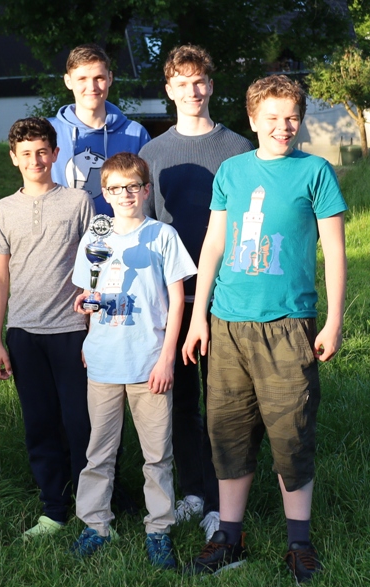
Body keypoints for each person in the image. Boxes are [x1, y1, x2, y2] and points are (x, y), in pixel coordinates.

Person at [182, 74, 347, 584]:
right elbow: (214, 245)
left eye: (292, 117)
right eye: (272, 117)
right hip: (228, 324)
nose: (283, 126)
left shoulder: (315, 172)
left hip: (287, 326)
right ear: (252, 119)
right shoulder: (232, 171)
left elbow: (334, 251)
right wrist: (198, 317)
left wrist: (334, 320)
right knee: (227, 431)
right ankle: (229, 537)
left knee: (291, 432)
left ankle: (299, 544)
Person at [139, 44, 253, 541]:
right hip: (172, 299)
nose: (193, 91)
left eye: (200, 81)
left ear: (211, 85)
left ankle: (220, 496)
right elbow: (143, 228)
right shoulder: (152, 153)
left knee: (222, 402)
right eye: (182, 83)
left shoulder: (239, 148)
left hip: (226, 296)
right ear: (169, 90)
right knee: (181, 401)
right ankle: (191, 491)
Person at [69, 153, 197, 569]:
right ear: (104, 194)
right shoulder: (96, 236)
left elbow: (177, 302)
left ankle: (158, 529)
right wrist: (86, 315)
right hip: (103, 360)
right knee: (99, 451)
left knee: (156, 454)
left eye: (133, 187)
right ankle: (96, 524)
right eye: (115, 188)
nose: (125, 195)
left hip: (148, 361)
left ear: (146, 190)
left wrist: (167, 359)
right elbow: (87, 294)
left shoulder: (162, 236)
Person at [0, 117, 94, 538]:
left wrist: (94, 330)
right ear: (14, 158)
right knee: (40, 423)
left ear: (56, 153)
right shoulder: (4, 209)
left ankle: (93, 506)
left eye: (43, 151)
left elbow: (96, 267)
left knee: (81, 423)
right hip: (24, 333)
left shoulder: (78, 201)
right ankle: (54, 508)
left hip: (73, 330)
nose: (36, 160)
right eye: (26, 153)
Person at [50, 43, 151, 218]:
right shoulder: (49, 132)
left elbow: (148, 195)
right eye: (82, 79)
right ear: (68, 81)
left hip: (121, 233)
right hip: (63, 233)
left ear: (110, 78)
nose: (92, 87)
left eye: (99, 78)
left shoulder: (136, 134)